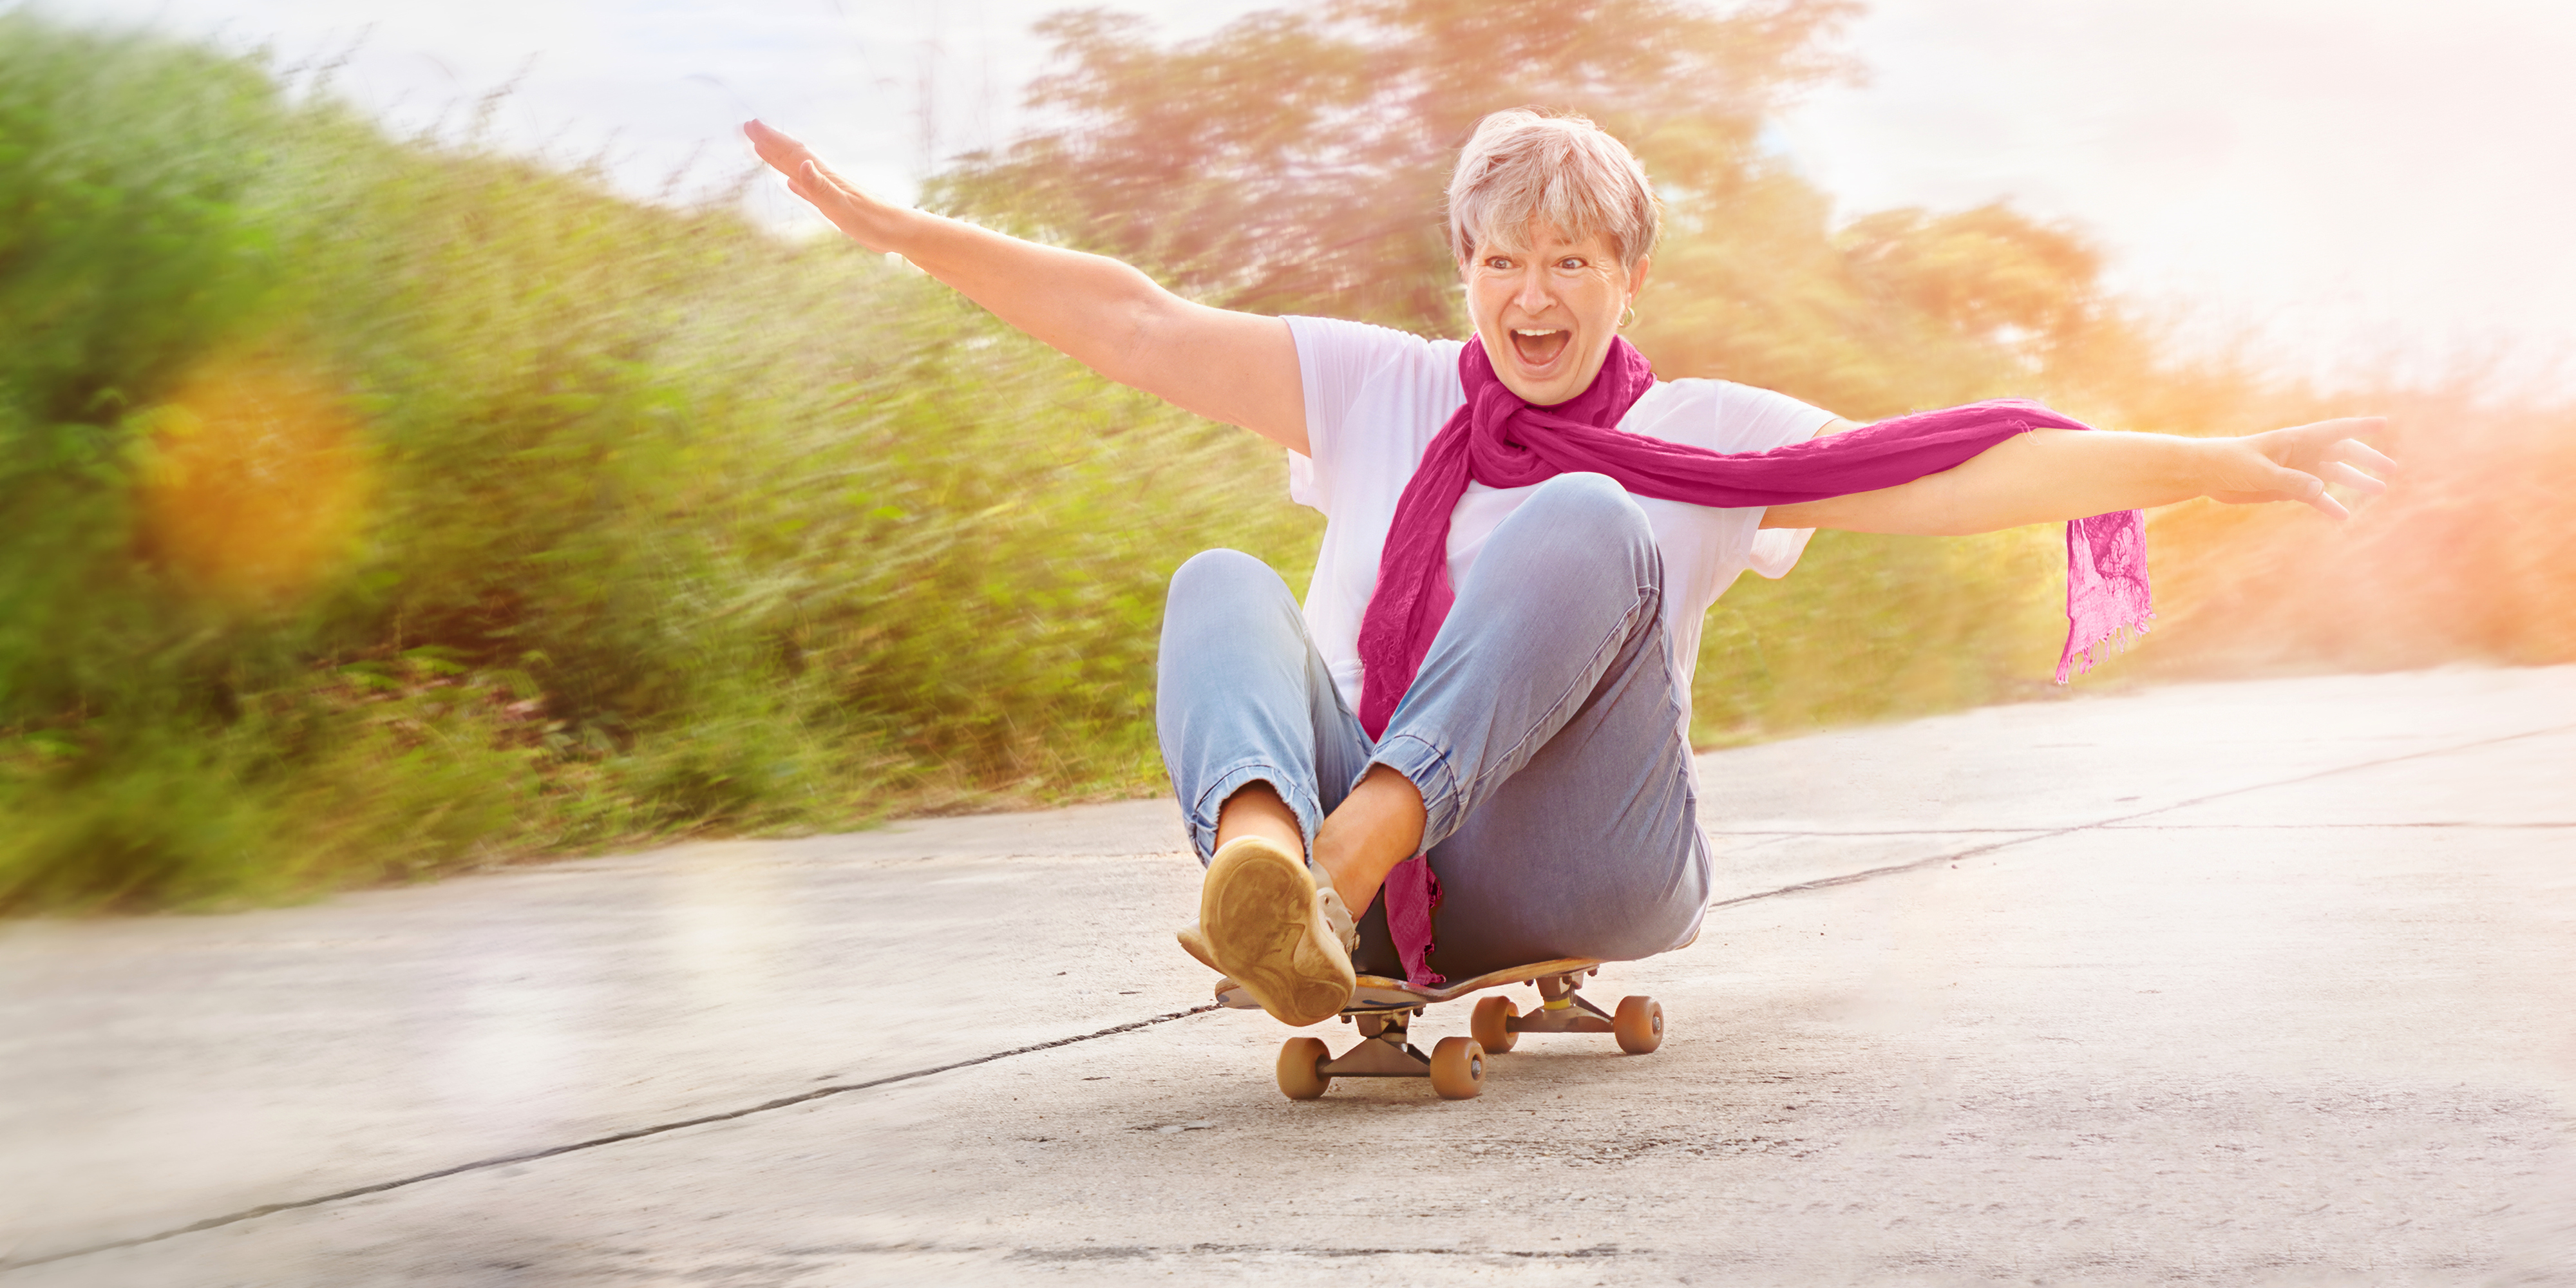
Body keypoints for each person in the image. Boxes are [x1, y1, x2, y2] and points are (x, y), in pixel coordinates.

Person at [744, 109, 2392, 1029]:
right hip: (1366, 869)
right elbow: (1134, 319)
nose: (1531, 297)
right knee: (1216, 582)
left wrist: (2214, 460)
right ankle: (1264, 875)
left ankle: (1334, 866)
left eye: (1569, 262)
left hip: (1584, 857)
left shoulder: (1704, 429)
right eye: (1501, 261)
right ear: (1462, 268)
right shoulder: (1378, 388)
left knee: (1588, 517)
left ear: (1626, 274)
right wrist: (898, 231)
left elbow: (1951, 465)